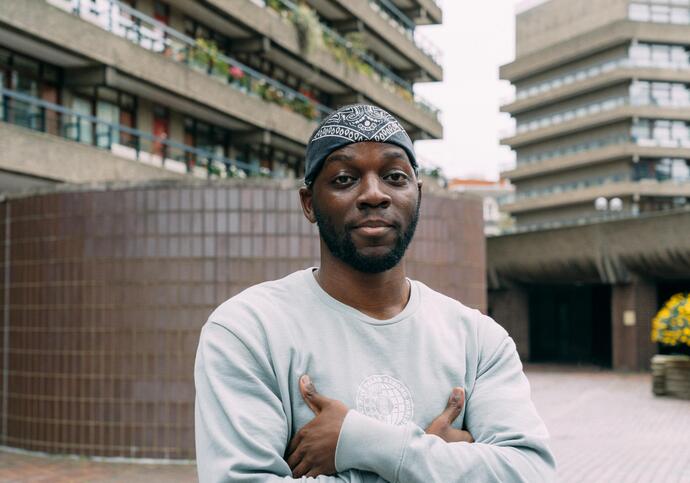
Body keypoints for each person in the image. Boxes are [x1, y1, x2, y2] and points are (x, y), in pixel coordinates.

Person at [194, 104, 555, 482]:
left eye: (394, 176)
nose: (373, 194)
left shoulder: (479, 341)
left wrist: (364, 442)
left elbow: (530, 472)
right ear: (308, 203)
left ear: (417, 195)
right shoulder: (249, 331)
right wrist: (434, 463)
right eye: (345, 179)